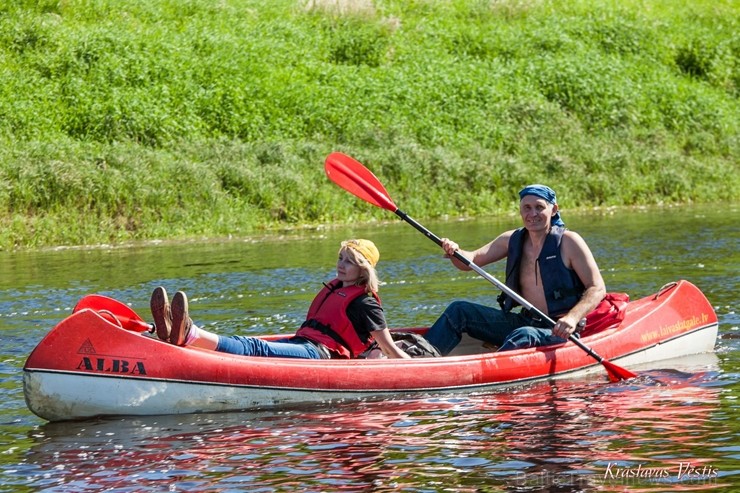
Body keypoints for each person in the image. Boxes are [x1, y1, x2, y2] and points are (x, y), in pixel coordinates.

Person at [150, 239, 410, 359]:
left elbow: (388, 349)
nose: (341, 266)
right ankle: (175, 333)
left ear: (363, 270)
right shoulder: (337, 288)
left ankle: (190, 334)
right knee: (253, 344)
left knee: (255, 347)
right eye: (341, 258)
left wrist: (414, 366)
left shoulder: (365, 302)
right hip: (305, 342)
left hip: (319, 355)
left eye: (349, 262)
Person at [424, 184, 606, 355]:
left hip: (560, 329)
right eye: (527, 207)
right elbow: (469, 261)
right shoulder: (511, 240)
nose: (533, 213)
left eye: (539, 207)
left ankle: (488, 372)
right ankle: (421, 359)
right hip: (525, 321)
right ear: (520, 210)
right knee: (459, 311)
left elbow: (597, 288)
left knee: (523, 335)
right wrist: (455, 251)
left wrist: (572, 318)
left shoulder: (569, 242)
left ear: (554, 210)